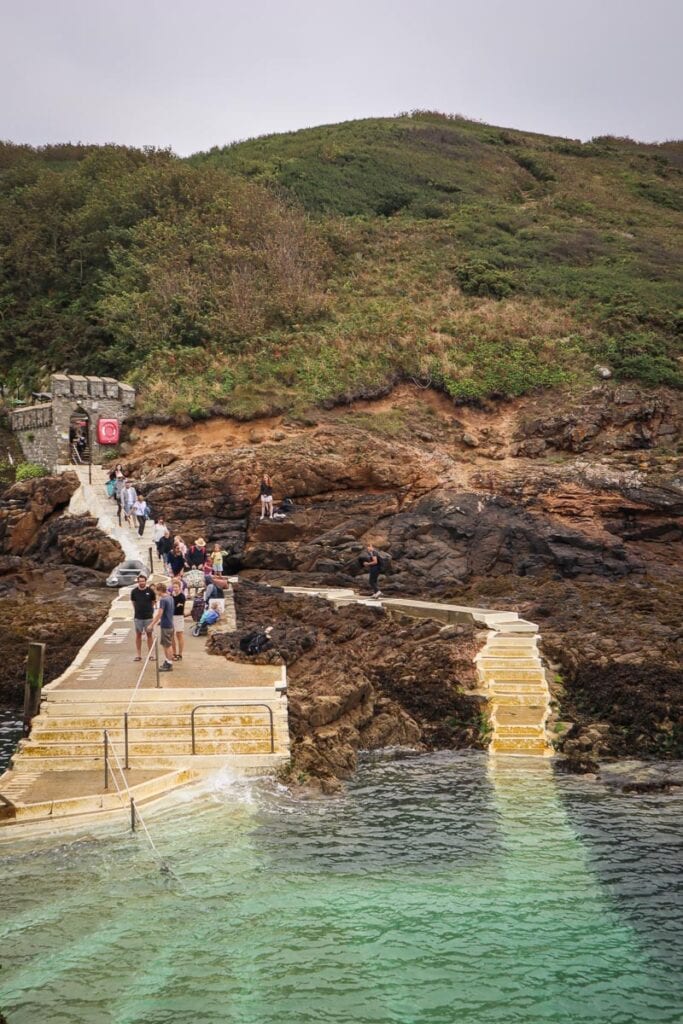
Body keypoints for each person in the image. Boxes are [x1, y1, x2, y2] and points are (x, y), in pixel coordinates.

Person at [130, 573, 156, 661]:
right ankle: (138, 655)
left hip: (148, 616)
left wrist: (149, 610)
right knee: (138, 635)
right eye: (140, 581)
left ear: (145, 581)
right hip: (138, 617)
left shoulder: (150, 591)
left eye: (143, 581)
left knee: (149, 635)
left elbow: (153, 602)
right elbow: (133, 603)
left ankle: (151, 654)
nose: (142, 582)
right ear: (138, 582)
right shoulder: (134, 592)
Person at [151, 581, 175, 672]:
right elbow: (169, 611)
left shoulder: (163, 600)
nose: (156, 593)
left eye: (156, 591)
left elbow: (159, 614)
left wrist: (151, 624)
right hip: (170, 623)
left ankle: (169, 663)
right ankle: (168, 660)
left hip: (166, 626)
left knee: (167, 645)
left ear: (160, 590)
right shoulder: (170, 597)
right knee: (167, 644)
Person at [171, 579, 187, 661]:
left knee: (179, 635)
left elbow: (178, 608)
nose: (175, 588)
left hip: (179, 616)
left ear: (179, 587)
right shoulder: (171, 595)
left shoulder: (182, 596)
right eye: (174, 587)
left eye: (176, 587)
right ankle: (174, 652)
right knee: (171, 635)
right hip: (172, 616)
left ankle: (180, 654)